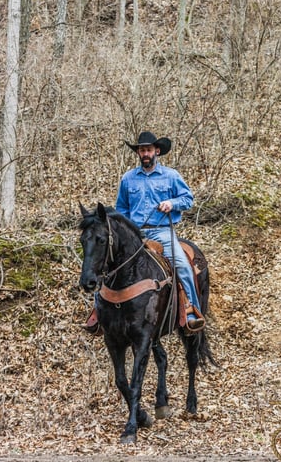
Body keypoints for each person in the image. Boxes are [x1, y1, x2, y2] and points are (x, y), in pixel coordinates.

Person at [82, 131, 205, 333]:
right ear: (138, 153)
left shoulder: (171, 176)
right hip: (135, 234)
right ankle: (98, 313)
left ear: (157, 151)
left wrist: (171, 203)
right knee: (107, 263)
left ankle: (191, 310)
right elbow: (121, 210)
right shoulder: (128, 179)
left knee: (182, 264)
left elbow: (187, 199)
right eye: (141, 150)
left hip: (162, 232)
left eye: (148, 150)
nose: (145, 153)